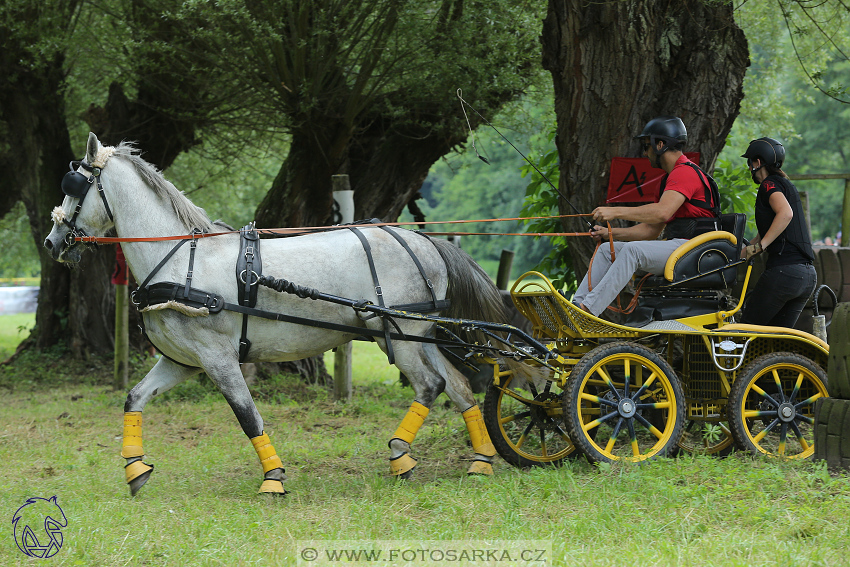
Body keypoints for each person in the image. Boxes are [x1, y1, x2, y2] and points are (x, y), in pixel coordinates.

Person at [572, 116, 720, 316]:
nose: (644, 153)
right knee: (608, 250)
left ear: (660, 145)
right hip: (680, 248)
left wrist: (614, 211)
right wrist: (610, 233)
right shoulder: (668, 180)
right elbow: (651, 230)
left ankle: (587, 310)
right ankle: (576, 307)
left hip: (696, 251)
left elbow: (662, 212)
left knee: (633, 251)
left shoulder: (684, 173)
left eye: (646, 146)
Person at [739, 137, 816, 327]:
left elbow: (786, 213)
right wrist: (737, 256)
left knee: (746, 329)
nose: (749, 168)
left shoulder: (768, 185)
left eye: (750, 163)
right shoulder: (785, 184)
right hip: (806, 277)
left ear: (757, 162)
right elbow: (763, 235)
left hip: (784, 272)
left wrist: (761, 246)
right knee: (777, 338)